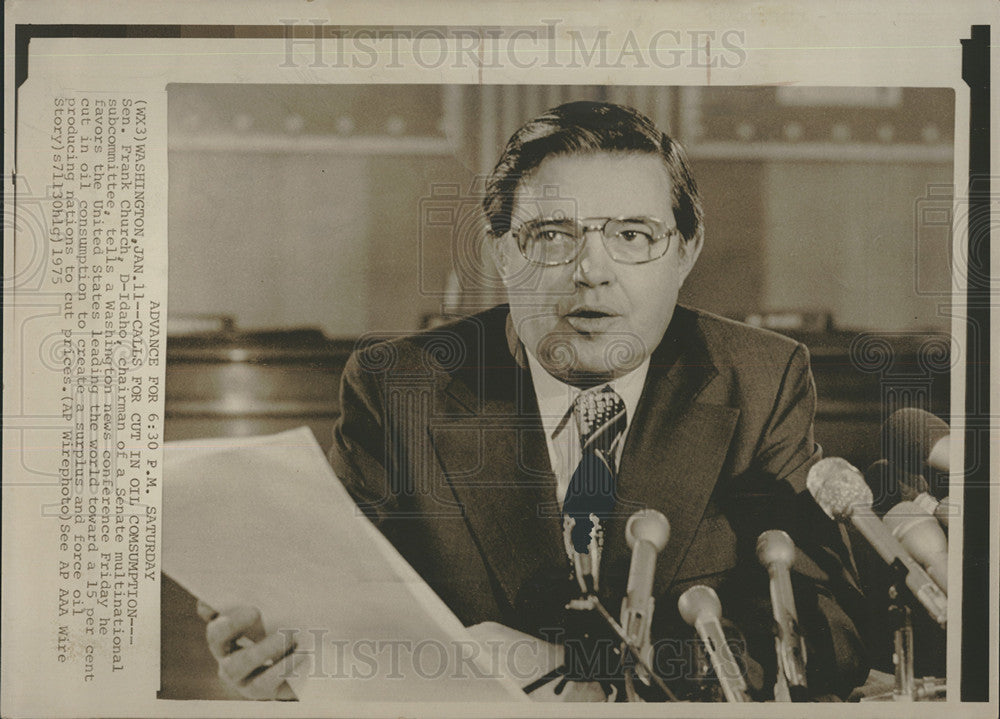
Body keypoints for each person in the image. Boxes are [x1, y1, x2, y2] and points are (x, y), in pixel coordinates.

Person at [201, 101, 870, 701]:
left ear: (685, 251)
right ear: (500, 251)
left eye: (633, 235)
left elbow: (827, 627)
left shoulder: (759, 378)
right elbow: (334, 610)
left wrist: (594, 680)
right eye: (552, 235)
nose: (592, 269)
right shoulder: (398, 386)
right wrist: (277, 653)